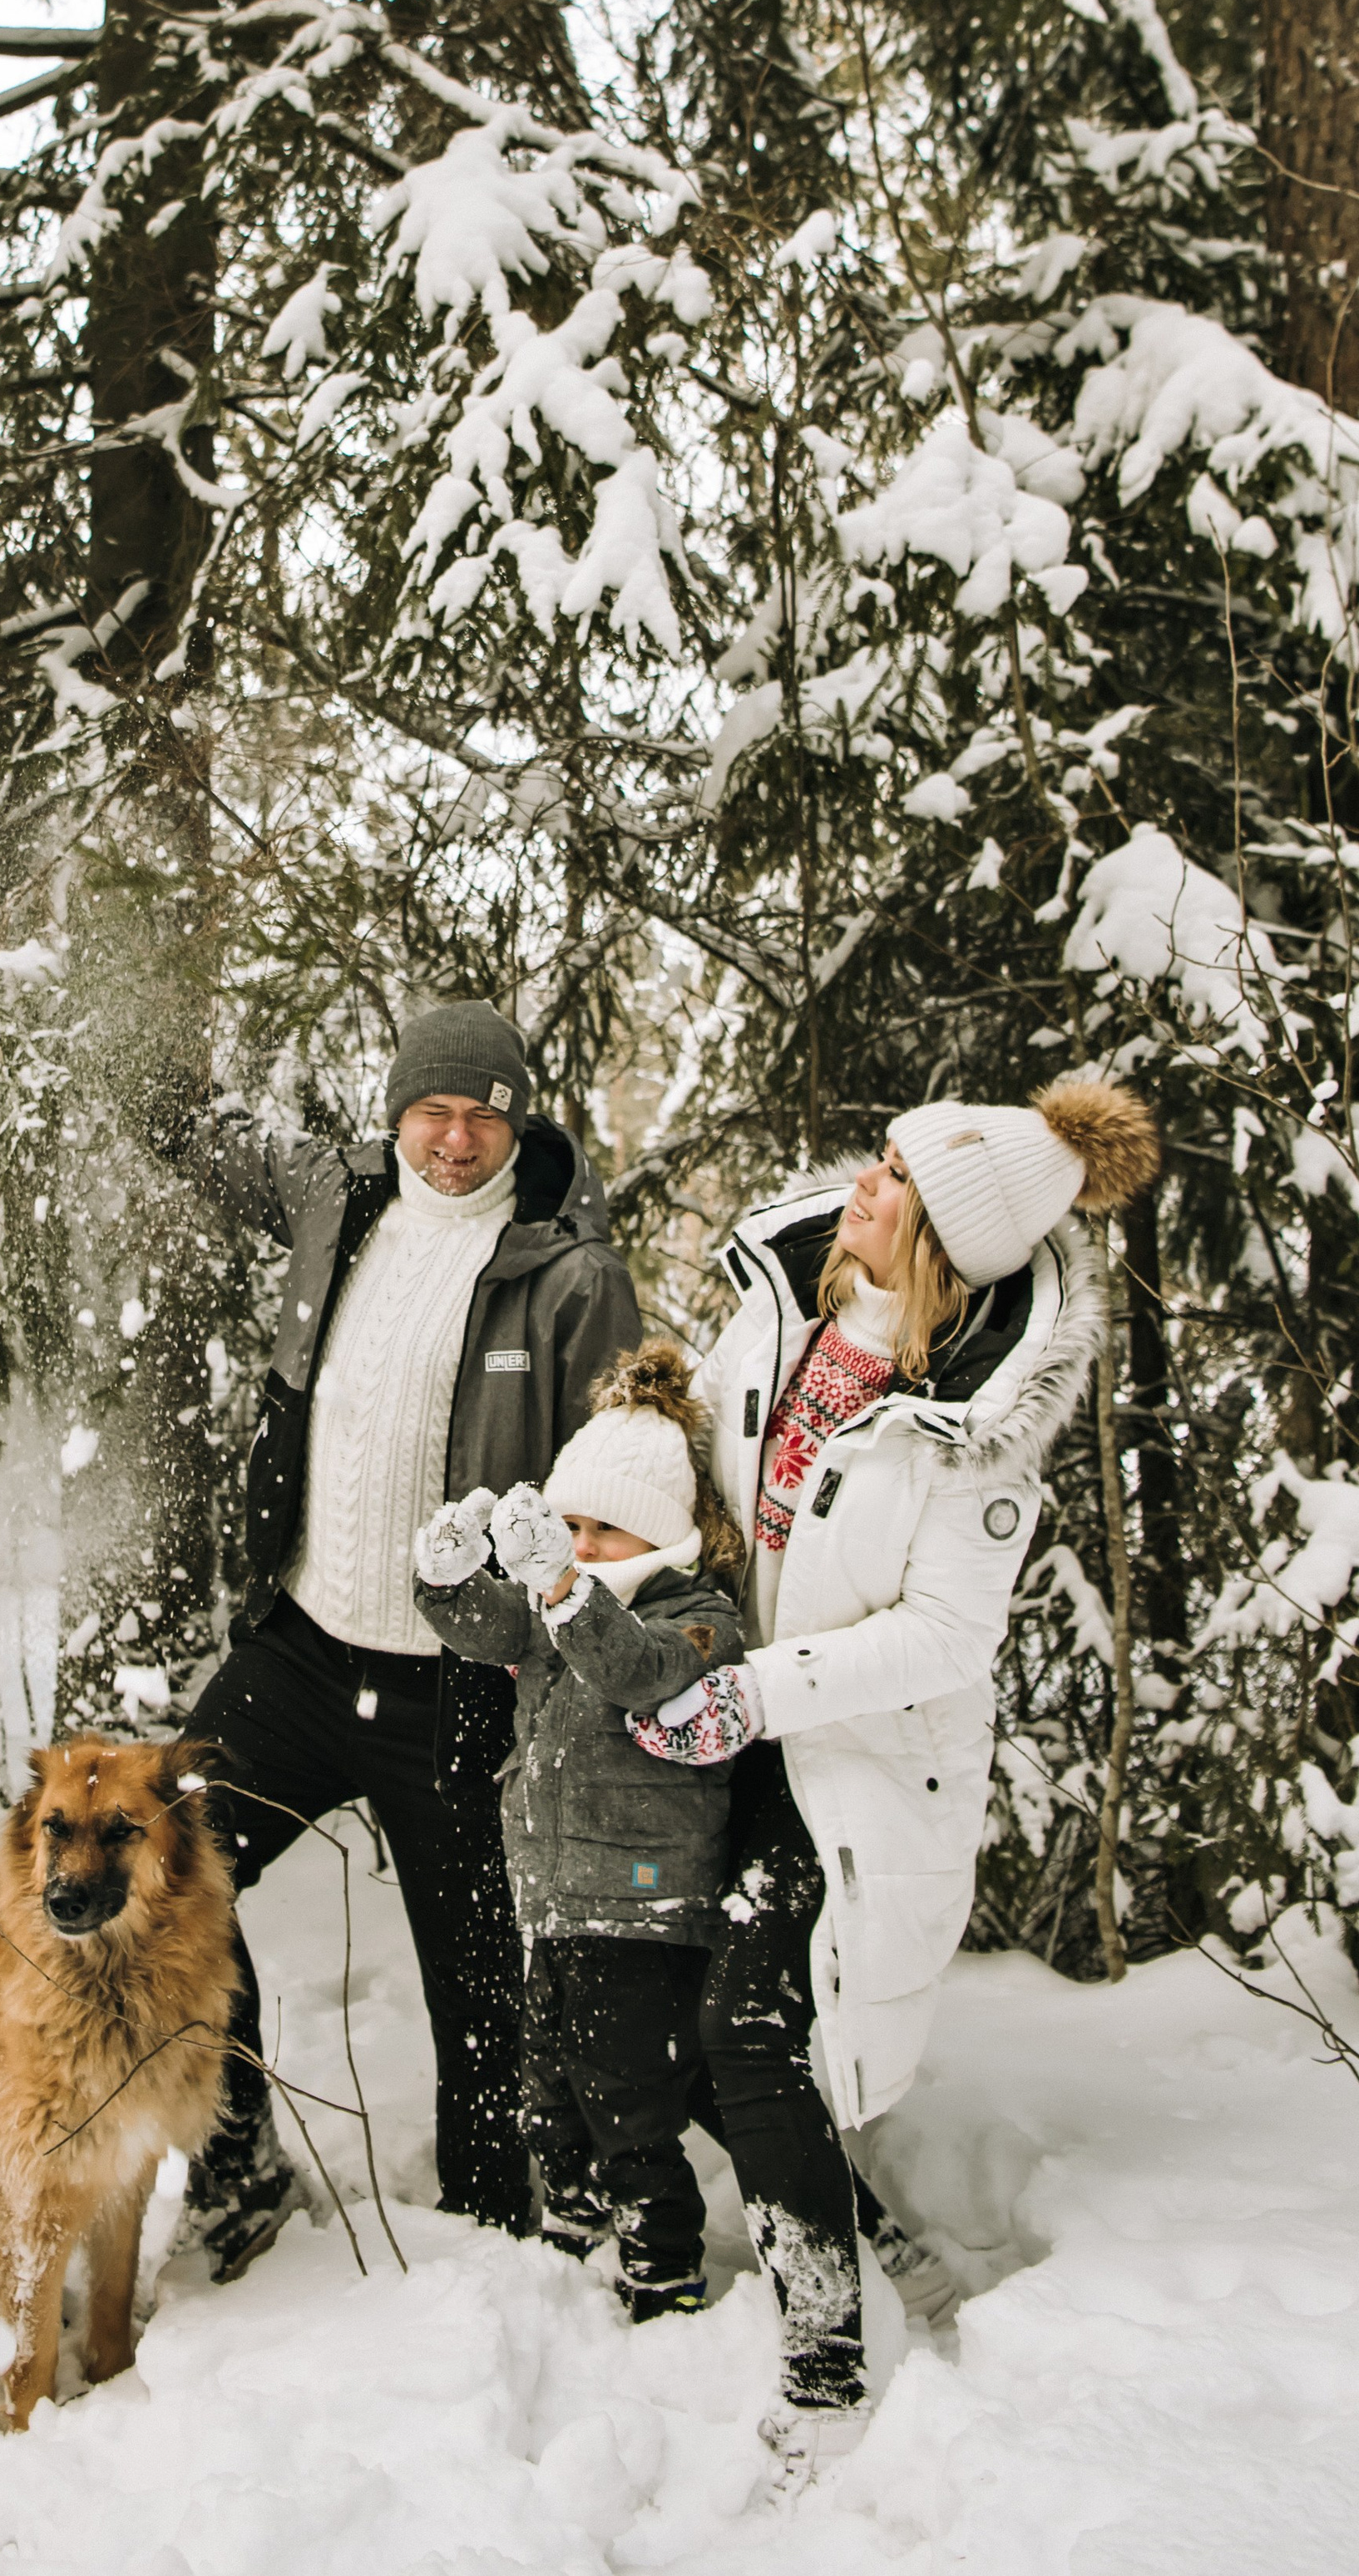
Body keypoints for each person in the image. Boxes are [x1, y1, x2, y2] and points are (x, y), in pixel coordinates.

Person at [629, 1074, 1160, 2497]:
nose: (862, 1185)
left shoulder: (974, 1431)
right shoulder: (792, 1307)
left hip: (848, 1764)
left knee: (748, 2024)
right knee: (657, 2001)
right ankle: (863, 2223)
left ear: (946, 1245)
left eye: (895, 1182)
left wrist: (752, 1693)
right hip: (726, 1716)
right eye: (877, 1160)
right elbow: (725, 1492)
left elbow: (940, 1639)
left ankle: (826, 2359)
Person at [170, 1000, 640, 2268]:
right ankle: (235, 2163)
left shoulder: (571, 1273)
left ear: (518, 1120)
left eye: (485, 1112)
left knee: (481, 2001)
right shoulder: (346, 1202)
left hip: (461, 1686)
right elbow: (207, 1137)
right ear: (396, 1112)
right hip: (303, 1648)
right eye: (433, 1109)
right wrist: (129, 1033)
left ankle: (488, 2241)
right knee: (162, 1872)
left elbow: (622, 1485)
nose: (455, 1137)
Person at [412, 1341, 747, 2320]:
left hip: (644, 1905)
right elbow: (486, 1627)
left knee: (630, 2101)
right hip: (553, 1898)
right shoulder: (547, 1610)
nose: (583, 1544)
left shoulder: (695, 1616)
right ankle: (566, 2236)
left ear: (659, 1534)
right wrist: (443, 1580)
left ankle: (660, 2267)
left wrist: (565, 1587)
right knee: (548, 2090)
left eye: (605, 1530)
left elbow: (636, 1668)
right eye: (568, 1525)